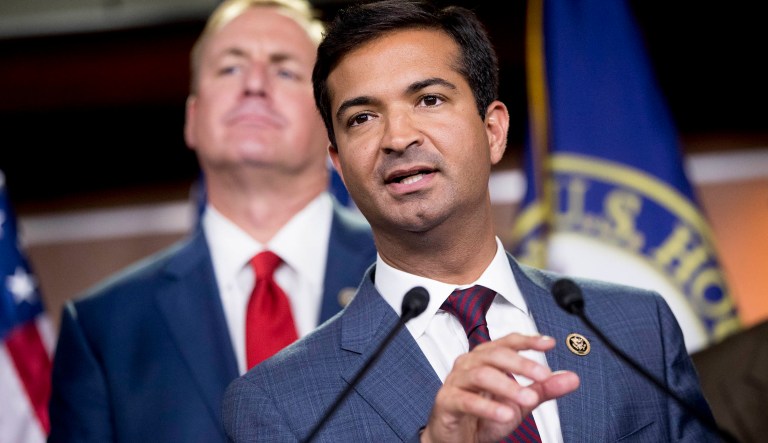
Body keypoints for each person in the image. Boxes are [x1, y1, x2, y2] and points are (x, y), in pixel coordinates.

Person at [221, 1, 718, 442]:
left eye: (429, 100)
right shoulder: (276, 403)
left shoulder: (636, 328)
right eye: (362, 118)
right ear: (339, 164)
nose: (397, 137)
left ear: (493, 130)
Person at [48, 0, 376, 441]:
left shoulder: (416, 275)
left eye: (285, 71)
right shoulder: (103, 328)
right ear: (193, 117)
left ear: (332, 122)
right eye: (229, 69)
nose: (255, 84)